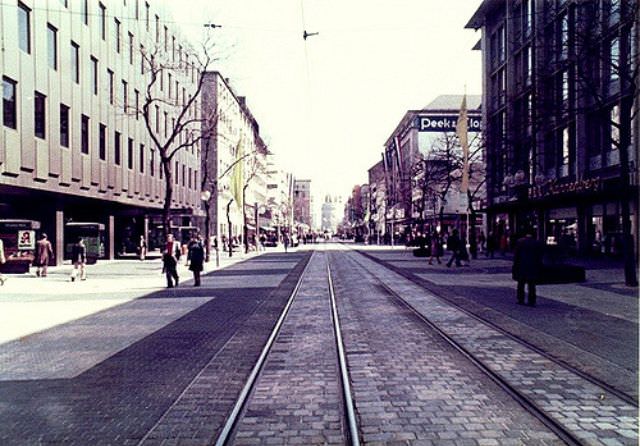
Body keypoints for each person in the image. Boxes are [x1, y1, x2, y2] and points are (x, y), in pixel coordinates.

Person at [512, 231, 544, 306]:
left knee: (521, 284)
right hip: (532, 266)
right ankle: (532, 301)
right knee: (532, 285)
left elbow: (516, 256)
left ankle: (521, 299)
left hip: (522, 266)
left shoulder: (520, 242)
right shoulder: (536, 243)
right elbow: (539, 256)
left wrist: (515, 266)